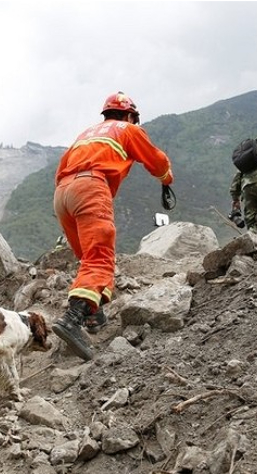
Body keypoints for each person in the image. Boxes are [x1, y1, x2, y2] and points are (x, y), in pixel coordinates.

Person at [52, 91, 173, 361]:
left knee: (87, 257)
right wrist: (166, 179)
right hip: (91, 187)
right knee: (99, 258)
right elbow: (156, 160)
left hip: (62, 193)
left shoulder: (85, 134)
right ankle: (72, 318)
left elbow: (60, 170)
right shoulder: (127, 129)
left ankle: (94, 315)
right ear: (129, 115)